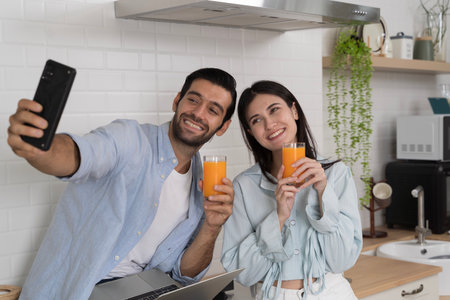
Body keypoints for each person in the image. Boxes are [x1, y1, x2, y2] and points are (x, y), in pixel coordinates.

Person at [7, 68, 237, 300]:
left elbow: (185, 274)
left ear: (223, 126)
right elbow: (80, 154)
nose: (198, 113)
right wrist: (40, 148)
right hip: (82, 290)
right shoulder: (129, 139)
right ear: (177, 100)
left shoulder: (203, 183)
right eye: (193, 99)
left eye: (212, 110)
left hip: (142, 291)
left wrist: (212, 226)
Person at [221, 81, 362, 300]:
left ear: (294, 111)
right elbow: (243, 275)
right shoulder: (243, 186)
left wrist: (323, 195)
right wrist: (278, 217)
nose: (270, 124)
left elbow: (342, 260)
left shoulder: (336, 174)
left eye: (274, 110)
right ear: (251, 132)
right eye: (257, 120)